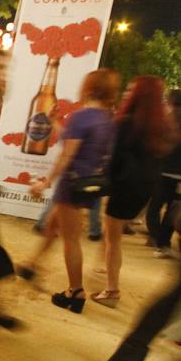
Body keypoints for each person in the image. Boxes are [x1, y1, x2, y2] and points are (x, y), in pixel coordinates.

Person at [20, 69, 121, 313]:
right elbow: (75, 142)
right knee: (52, 225)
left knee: (71, 240)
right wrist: (55, 122)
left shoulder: (82, 117)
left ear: (88, 88)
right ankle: (32, 265)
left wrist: (45, 183)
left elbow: (67, 154)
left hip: (72, 184)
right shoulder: (107, 119)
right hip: (90, 183)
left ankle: (75, 291)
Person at [94, 76, 179, 307]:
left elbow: (113, 158)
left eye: (132, 88)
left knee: (113, 237)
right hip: (146, 186)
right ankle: (103, 266)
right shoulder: (161, 125)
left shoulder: (126, 122)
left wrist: (104, 181)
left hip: (124, 185)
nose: (127, 91)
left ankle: (112, 290)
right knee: (113, 231)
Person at [150, 90, 181, 257]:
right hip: (178, 175)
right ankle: (163, 243)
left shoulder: (164, 121)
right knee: (173, 209)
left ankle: (155, 238)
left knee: (155, 206)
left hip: (161, 172)